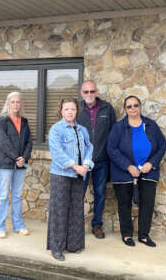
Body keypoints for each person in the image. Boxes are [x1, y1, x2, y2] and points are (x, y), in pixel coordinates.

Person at [107, 95, 166, 247]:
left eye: (135, 105)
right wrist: (128, 166)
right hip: (124, 172)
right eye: (129, 106)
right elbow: (111, 149)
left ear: (140, 107)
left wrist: (151, 163)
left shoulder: (151, 125)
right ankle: (127, 235)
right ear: (125, 109)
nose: (133, 108)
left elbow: (162, 145)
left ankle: (144, 235)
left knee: (147, 203)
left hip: (148, 172)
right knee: (124, 204)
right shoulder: (119, 127)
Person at [47, 98, 94, 261]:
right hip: (61, 175)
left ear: (77, 112)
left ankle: (73, 245)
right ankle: (57, 247)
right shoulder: (56, 129)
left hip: (79, 175)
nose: (70, 112)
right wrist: (75, 166)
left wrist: (87, 164)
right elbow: (57, 153)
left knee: (76, 210)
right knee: (59, 211)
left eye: (73, 109)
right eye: (66, 109)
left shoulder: (82, 130)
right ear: (61, 111)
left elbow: (89, 147)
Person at [77, 80, 116, 239]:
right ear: (81, 93)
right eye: (86, 92)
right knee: (78, 193)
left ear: (97, 92)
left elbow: (113, 134)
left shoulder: (107, 108)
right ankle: (76, 223)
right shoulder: (77, 109)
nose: (89, 95)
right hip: (83, 161)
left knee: (100, 193)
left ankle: (97, 225)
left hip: (102, 160)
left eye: (92, 91)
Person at [0, 92, 32, 239]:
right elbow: (3, 142)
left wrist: (24, 158)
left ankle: (18, 225)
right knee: (3, 196)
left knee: (17, 196)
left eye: (18, 102)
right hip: (6, 164)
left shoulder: (25, 121)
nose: (16, 104)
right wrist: (16, 157)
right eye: (13, 102)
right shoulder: (1, 121)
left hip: (21, 165)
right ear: (7, 103)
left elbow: (29, 142)